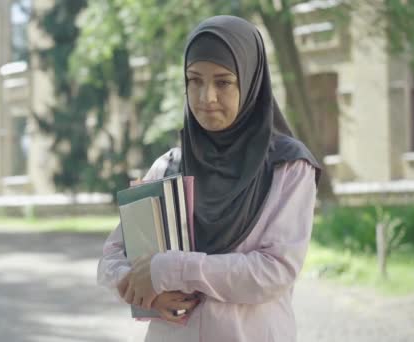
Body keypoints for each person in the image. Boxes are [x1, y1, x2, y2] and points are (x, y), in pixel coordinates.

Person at [97, 15, 322, 342]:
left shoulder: (287, 166)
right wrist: (145, 292)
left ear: (250, 82)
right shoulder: (169, 167)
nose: (206, 97)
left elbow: (274, 271)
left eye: (223, 82)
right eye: (194, 80)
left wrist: (168, 269)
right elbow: (113, 258)